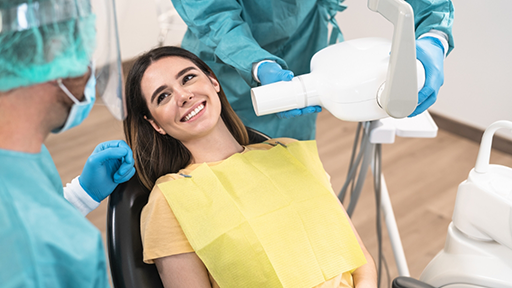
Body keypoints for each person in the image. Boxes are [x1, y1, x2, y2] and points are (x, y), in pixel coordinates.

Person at [124, 46, 377, 288]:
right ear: (155, 124)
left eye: (188, 78)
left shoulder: (289, 153)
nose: (183, 96)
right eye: (163, 96)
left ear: (213, 81)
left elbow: (361, 261)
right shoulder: (170, 200)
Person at [170, 0, 455, 140]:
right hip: (227, 61)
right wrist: (255, 63)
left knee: (288, 171)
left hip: (303, 47)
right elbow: (212, 15)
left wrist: (434, 38)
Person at [0, 0, 135, 286]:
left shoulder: (22, 153)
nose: (88, 62)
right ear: (54, 51)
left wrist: (79, 195)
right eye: (82, 42)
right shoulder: (39, 249)